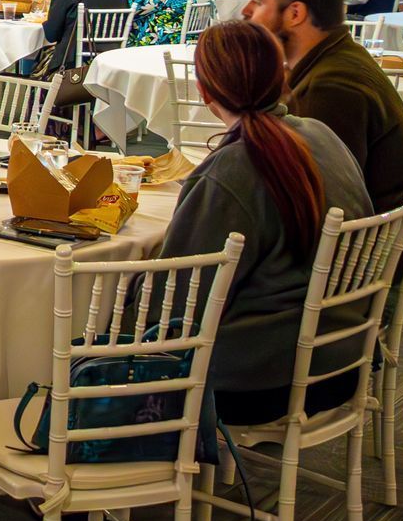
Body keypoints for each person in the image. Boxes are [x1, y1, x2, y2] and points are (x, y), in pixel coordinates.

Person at [157, 21, 374, 425]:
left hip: (262, 380)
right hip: (345, 355)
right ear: (282, 76)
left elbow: (176, 304)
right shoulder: (322, 135)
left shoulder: (232, 169)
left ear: (204, 93)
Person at [244, 0, 403, 211]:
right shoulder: (335, 57)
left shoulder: (331, 87)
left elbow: (320, 201)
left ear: (295, 13)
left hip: (351, 246)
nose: (246, 11)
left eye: (257, 2)